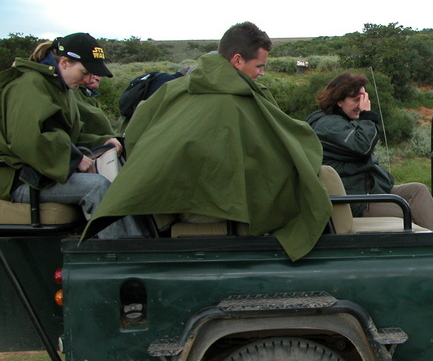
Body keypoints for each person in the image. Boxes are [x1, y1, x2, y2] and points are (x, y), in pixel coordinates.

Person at [84, 22, 333, 259]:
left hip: (171, 200)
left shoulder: (175, 88)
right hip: (206, 208)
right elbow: (268, 150)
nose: (261, 73)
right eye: (259, 66)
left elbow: (136, 135)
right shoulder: (235, 101)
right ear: (237, 60)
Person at [0, 33, 144, 237]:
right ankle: (124, 257)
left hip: (42, 173)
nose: (87, 79)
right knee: (97, 187)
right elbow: (29, 140)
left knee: (122, 181)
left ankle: (138, 244)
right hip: (22, 179)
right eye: (84, 71)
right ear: (65, 62)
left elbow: (70, 135)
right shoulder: (29, 85)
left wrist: (102, 141)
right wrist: (73, 158)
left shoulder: (59, 87)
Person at [306, 73, 433, 230]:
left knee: (417, 190)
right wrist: (367, 116)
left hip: (366, 191)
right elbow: (363, 146)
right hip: (356, 201)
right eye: (355, 100)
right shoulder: (327, 125)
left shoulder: (339, 121)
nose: (361, 105)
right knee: (409, 213)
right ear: (339, 101)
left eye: (363, 99)